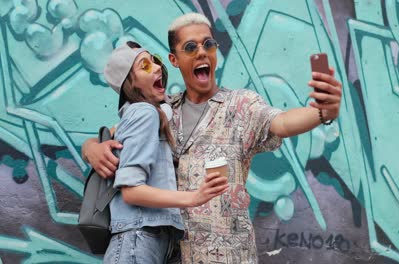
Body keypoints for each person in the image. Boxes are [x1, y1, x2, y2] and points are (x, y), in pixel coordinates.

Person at [82, 13, 342, 264]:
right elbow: (114, 136)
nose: (202, 52)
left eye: (208, 44)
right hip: (173, 256)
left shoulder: (241, 105)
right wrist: (91, 148)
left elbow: (283, 123)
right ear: (174, 59)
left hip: (230, 255)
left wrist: (322, 112)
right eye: (190, 47)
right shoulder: (160, 111)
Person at [100, 41, 228, 264]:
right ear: (132, 84)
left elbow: (165, 109)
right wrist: (194, 198)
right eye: (145, 66)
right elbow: (131, 191)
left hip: (145, 240)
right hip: (136, 241)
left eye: (155, 61)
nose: (158, 67)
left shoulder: (148, 114)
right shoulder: (144, 113)